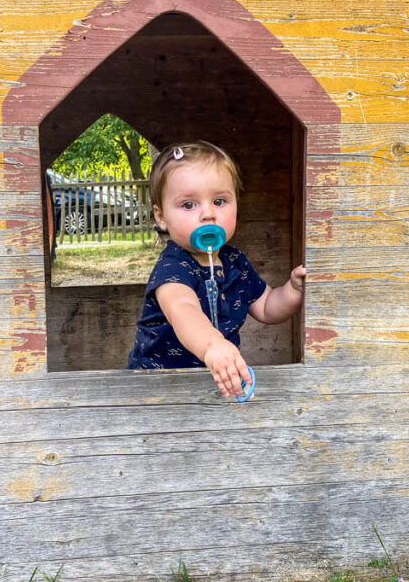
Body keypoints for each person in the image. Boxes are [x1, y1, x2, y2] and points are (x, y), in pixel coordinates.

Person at [127, 141, 306, 397]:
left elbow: (266, 306)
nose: (208, 214)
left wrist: (293, 290)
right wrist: (213, 346)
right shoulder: (172, 268)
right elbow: (183, 308)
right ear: (161, 216)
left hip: (214, 383)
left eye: (220, 201)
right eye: (189, 205)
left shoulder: (236, 263)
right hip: (158, 387)